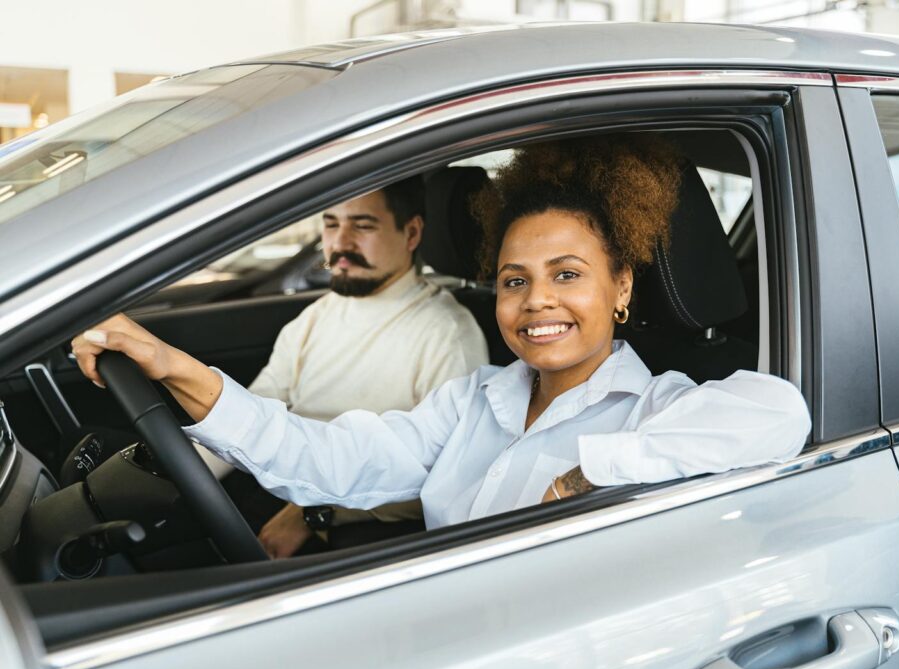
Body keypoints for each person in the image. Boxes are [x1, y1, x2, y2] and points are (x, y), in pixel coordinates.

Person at [72, 135, 811, 532]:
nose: (535, 302)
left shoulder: (660, 408)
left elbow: (783, 415)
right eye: (515, 280)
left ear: (620, 287)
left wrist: (589, 473)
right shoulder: (474, 400)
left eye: (567, 274)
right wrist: (171, 365)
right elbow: (327, 457)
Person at [222, 179, 489, 557]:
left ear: (411, 233)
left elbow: (449, 478)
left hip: (355, 530)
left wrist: (314, 513)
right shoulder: (319, 315)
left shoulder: (447, 334)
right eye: (332, 224)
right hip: (279, 487)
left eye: (363, 226)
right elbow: (252, 410)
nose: (340, 243)